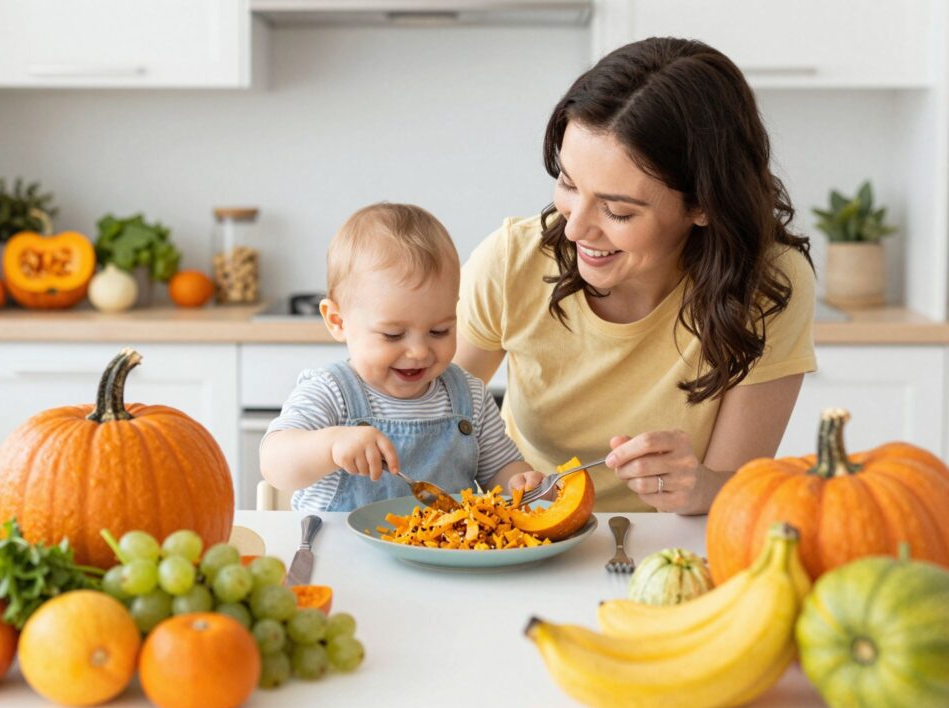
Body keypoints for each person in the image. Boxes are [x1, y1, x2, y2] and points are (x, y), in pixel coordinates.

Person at [454, 37, 817, 515]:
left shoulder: (766, 283)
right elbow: (433, 418)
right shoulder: (510, 262)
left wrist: (701, 486)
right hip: (526, 534)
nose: (575, 226)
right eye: (567, 183)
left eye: (617, 210)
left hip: (677, 542)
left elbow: (736, 490)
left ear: (703, 204)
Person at [260, 202, 543, 513]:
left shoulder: (469, 396)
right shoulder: (332, 392)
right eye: (393, 335)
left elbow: (500, 471)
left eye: (439, 331)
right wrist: (331, 445)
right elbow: (275, 464)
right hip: (339, 556)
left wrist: (519, 483)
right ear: (337, 321)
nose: (419, 351)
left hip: (442, 557)